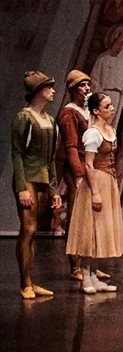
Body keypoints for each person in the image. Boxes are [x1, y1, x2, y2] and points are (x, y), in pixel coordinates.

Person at [66, 93, 123, 294]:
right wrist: (95, 192)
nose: (112, 108)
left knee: (100, 230)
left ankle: (93, 276)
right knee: (90, 230)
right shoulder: (93, 133)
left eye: (111, 105)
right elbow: (88, 164)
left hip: (108, 181)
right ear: (95, 110)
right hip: (96, 182)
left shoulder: (110, 130)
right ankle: (86, 277)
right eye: (107, 106)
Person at [11, 71, 64, 299]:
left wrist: (54, 189)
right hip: (28, 178)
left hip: (43, 179)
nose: (53, 91)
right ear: (39, 91)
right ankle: (25, 283)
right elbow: (17, 153)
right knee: (28, 229)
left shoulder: (50, 121)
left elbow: (50, 159)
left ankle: (31, 281)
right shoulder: (24, 118)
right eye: (49, 88)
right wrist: (22, 187)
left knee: (34, 232)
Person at [56, 70, 91, 281]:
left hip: (90, 165)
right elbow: (70, 146)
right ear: (73, 89)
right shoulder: (69, 113)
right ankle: (75, 264)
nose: (87, 88)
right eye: (82, 85)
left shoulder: (87, 110)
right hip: (76, 167)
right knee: (76, 215)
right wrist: (78, 174)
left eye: (88, 85)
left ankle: (88, 265)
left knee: (89, 216)